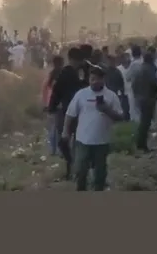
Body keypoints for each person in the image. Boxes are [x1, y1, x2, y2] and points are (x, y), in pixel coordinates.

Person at [62, 64, 124, 191]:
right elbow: (70, 114)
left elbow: (120, 117)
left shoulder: (111, 96)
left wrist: (106, 110)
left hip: (102, 141)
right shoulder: (81, 94)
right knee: (81, 170)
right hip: (83, 140)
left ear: (103, 79)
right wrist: (65, 131)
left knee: (100, 172)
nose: (95, 82)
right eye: (92, 79)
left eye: (98, 79)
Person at [48, 47, 83, 179]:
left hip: (69, 111)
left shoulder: (75, 73)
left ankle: (72, 167)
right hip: (70, 111)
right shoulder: (71, 73)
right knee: (68, 141)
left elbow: (56, 92)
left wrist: (52, 107)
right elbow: (57, 92)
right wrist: (52, 107)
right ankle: (72, 165)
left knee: (66, 140)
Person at [132, 52, 157, 153]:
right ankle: (142, 145)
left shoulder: (140, 69)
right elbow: (154, 81)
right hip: (148, 98)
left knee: (143, 122)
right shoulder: (149, 69)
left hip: (140, 98)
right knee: (146, 123)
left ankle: (140, 144)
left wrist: (137, 95)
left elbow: (133, 85)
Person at [42, 55, 64, 156]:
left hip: (50, 104)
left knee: (52, 127)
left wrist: (45, 103)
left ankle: (52, 149)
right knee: (59, 128)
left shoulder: (50, 75)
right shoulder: (63, 75)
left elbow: (44, 90)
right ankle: (59, 150)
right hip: (60, 104)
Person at [124, 45, 143, 122]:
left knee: (136, 109)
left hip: (136, 89)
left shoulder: (134, 64)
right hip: (146, 88)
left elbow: (127, 77)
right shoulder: (144, 62)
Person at [115, 52, 132, 121]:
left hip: (131, 92)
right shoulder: (118, 69)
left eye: (127, 57)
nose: (126, 59)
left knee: (132, 109)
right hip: (121, 93)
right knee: (124, 109)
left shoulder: (132, 67)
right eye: (124, 58)